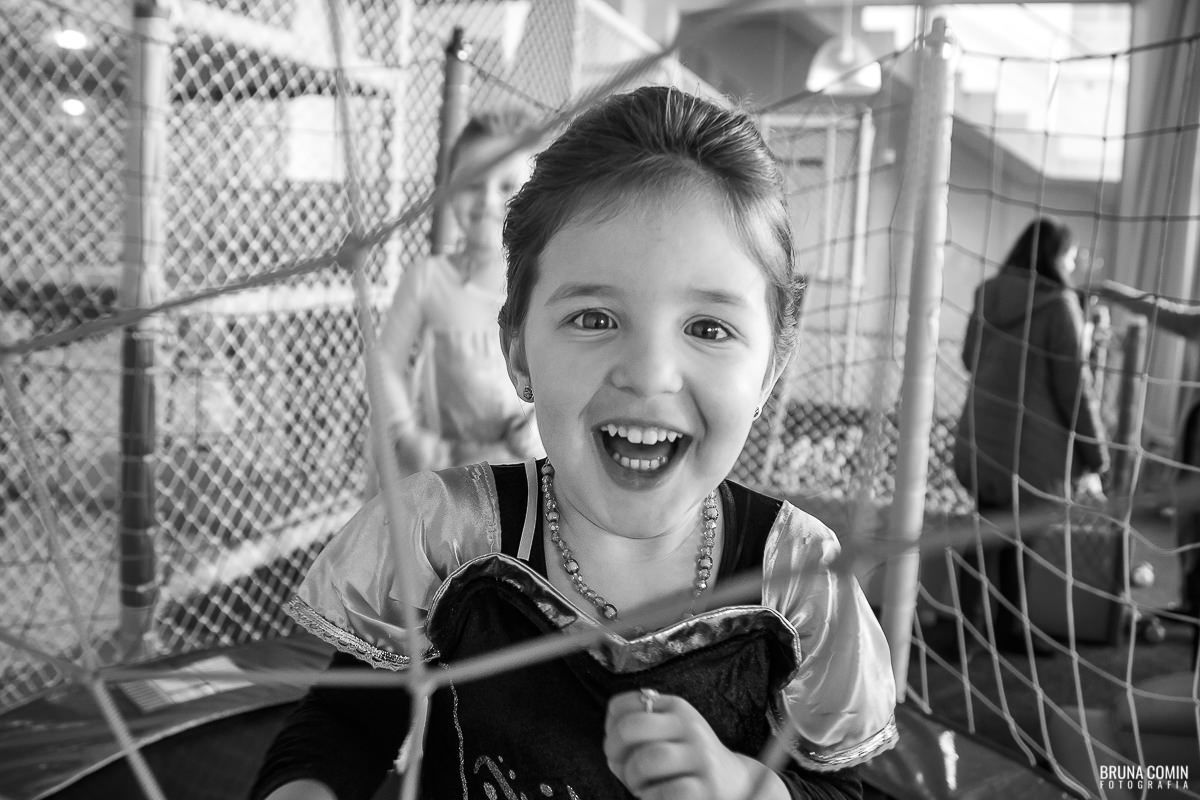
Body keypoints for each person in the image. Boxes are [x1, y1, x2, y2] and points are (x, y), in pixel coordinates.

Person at [250, 86, 897, 800]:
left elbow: (843, 788)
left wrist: (749, 788)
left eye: (708, 328)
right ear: (518, 351)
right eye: (594, 318)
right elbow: (345, 722)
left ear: (773, 365)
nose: (648, 373)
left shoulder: (799, 583)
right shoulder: (448, 539)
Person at [952, 217, 1110, 656]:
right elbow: (1075, 390)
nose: (1073, 267)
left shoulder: (989, 292)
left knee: (987, 528)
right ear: (1055, 257)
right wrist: (1097, 456)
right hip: (1031, 450)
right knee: (1020, 539)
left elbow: (969, 358)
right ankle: (1007, 628)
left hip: (982, 437)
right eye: (1071, 258)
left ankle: (968, 626)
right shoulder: (1060, 305)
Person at [368, 110, 544, 491]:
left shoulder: (541, 283)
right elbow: (384, 362)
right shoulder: (427, 280)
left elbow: (565, 363)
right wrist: (407, 433)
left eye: (506, 185)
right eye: (471, 183)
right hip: (448, 477)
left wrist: (536, 429)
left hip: (521, 476)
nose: (487, 200)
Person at [1094, 278, 1200, 616]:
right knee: (1188, 517)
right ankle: (1191, 599)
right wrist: (1113, 292)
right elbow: (1163, 311)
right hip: (1195, 436)